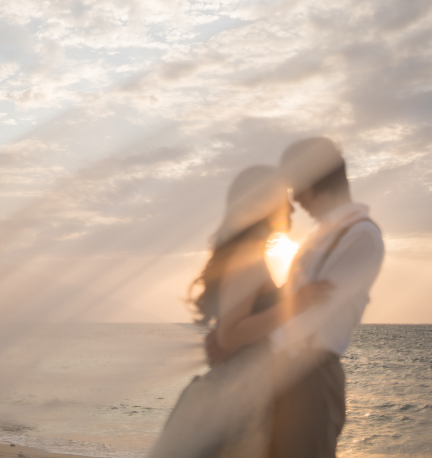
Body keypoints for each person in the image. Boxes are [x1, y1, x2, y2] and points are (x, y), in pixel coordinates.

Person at [150, 165, 333, 458]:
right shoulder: (248, 254)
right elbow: (230, 335)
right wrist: (296, 304)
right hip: (235, 397)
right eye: (283, 199)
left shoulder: (251, 253)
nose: (291, 207)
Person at [266, 137, 385, 458]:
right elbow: (292, 302)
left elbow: (313, 313)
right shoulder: (318, 237)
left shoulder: (360, 235)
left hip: (311, 377)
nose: (295, 199)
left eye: (296, 186)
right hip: (286, 373)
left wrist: (253, 338)